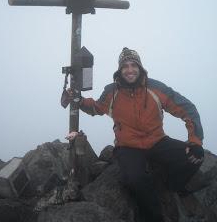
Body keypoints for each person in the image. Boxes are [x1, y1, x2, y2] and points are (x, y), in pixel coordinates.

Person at [64, 47, 204, 222]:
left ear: (140, 67)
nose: (129, 70)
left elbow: (188, 110)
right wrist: (80, 100)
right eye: (125, 66)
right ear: (119, 70)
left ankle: (172, 187)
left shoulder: (156, 88)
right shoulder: (111, 91)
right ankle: (155, 217)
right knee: (134, 180)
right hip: (128, 147)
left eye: (133, 65)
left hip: (157, 141)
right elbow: (96, 108)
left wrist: (195, 141)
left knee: (196, 157)